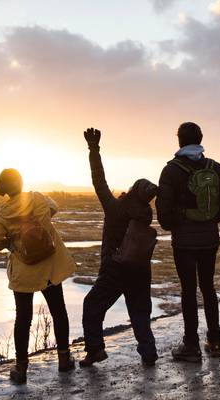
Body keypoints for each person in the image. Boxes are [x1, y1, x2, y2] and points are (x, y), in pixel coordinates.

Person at [0, 168, 77, 385]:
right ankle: (64, 360)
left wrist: (10, 242)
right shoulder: (37, 199)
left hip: (24, 271)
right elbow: (54, 206)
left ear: (3, 189)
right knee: (58, 311)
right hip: (50, 267)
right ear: (21, 182)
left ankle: (21, 369)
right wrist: (41, 223)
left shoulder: (4, 214)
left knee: (23, 319)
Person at [79, 127, 159, 368]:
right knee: (140, 312)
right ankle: (148, 352)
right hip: (140, 270)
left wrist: (94, 149)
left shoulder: (115, 209)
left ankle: (95, 350)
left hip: (114, 269)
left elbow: (99, 181)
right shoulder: (146, 215)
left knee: (92, 306)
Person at [156, 122, 220, 362]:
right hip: (210, 239)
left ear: (179, 141)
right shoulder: (215, 167)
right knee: (208, 288)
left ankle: (191, 345)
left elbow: (164, 214)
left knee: (188, 291)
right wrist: (210, 219)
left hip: (184, 243)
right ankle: (215, 340)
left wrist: (180, 221)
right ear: (200, 139)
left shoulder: (171, 170)